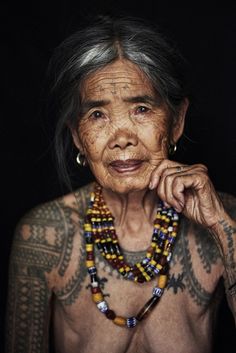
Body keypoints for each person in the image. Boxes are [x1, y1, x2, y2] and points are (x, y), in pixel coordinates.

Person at [6, 16, 236, 353]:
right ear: (78, 136)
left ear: (176, 123)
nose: (122, 138)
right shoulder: (45, 235)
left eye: (141, 109)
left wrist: (220, 227)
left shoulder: (224, 217)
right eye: (97, 115)